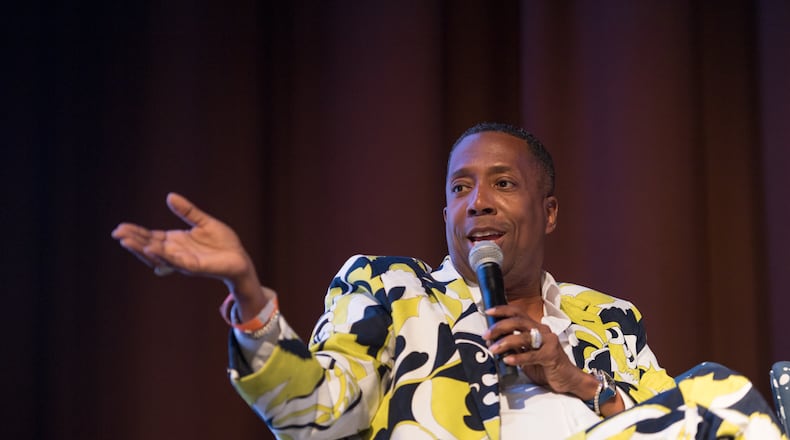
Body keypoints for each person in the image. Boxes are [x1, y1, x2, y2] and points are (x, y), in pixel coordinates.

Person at [112, 122, 784, 439]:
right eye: (460, 188)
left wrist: (574, 377)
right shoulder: (387, 288)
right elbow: (318, 414)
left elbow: (668, 422)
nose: (478, 202)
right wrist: (251, 298)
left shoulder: (609, 318)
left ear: (548, 211)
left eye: (502, 184)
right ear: (446, 214)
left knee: (723, 394)